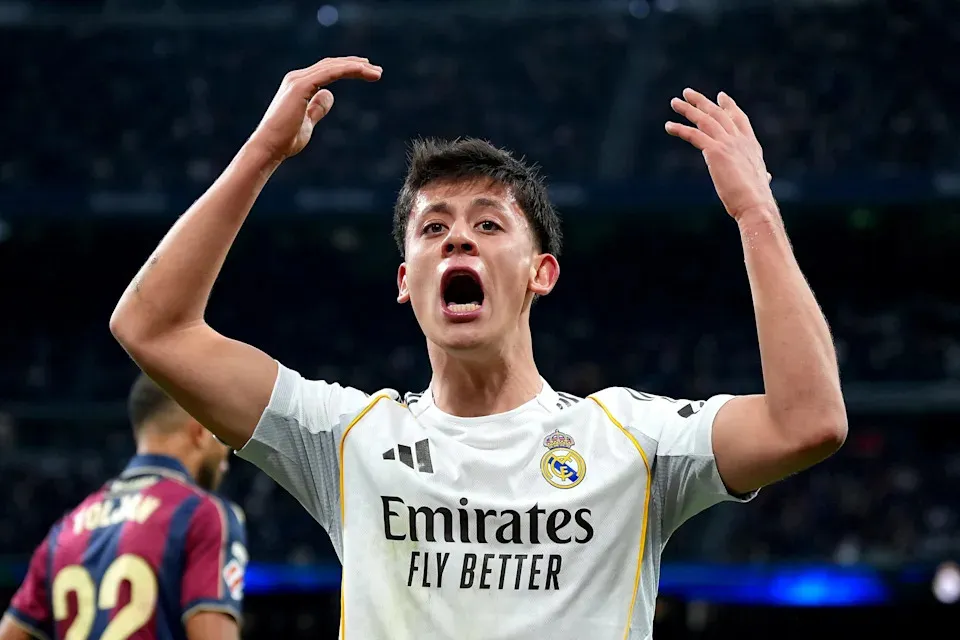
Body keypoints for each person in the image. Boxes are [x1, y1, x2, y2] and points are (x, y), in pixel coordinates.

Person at [108, 57, 847, 640]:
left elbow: (808, 421)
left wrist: (755, 210)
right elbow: (152, 328)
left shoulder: (633, 441)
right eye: (433, 227)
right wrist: (263, 153)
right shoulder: (345, 439)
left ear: (540, 273)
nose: (457, 237)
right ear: (407, 281)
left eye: (489, 224)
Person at [0, 374, 247, 640]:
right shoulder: (204, 514)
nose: (226, 455)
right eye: (221, 436)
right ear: (200, 432)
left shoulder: (64, 530)